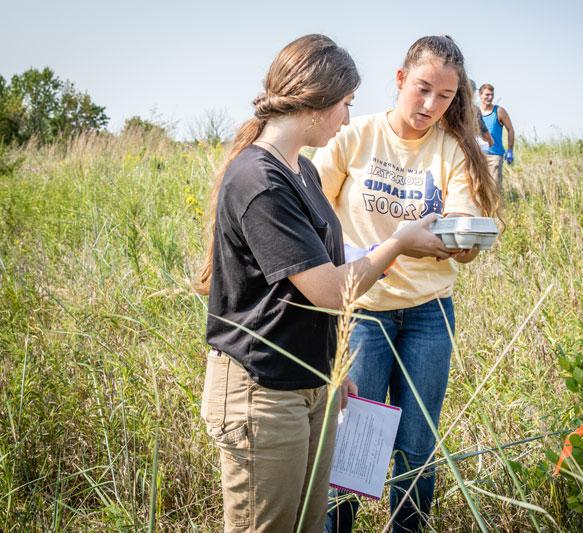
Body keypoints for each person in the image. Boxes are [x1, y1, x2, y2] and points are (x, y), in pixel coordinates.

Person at [195, 34, 451, 533]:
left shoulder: (303, 172)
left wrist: (331, 368)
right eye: (345, 104)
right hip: (261, 390)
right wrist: (397, 243)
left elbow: (314, 282)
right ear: (315, 102)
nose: (348, 119)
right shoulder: (259, 181)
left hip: (311, 384)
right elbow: (332, 291)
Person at [313, 35, 501, 532]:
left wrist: (462, 238)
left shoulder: (452, 150)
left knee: (417, 445)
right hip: (364, 312)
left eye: (443, 97)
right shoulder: (357, 136)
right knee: (354, 447)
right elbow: (309, 209)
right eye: (421, 89)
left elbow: (461, 212)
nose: (430, 105)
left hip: (429, 315)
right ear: (399, 79)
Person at [479, 83, 515, 193]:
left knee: (494, 190)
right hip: (478, 155)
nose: (490, 97)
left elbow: (510, 130)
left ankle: (495, 210)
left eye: (492, 95)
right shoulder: (475, 111)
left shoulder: (499, 111)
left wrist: (510, 150)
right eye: (487, 95)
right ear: (480, 95)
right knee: (478, 189)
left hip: (494, 156)